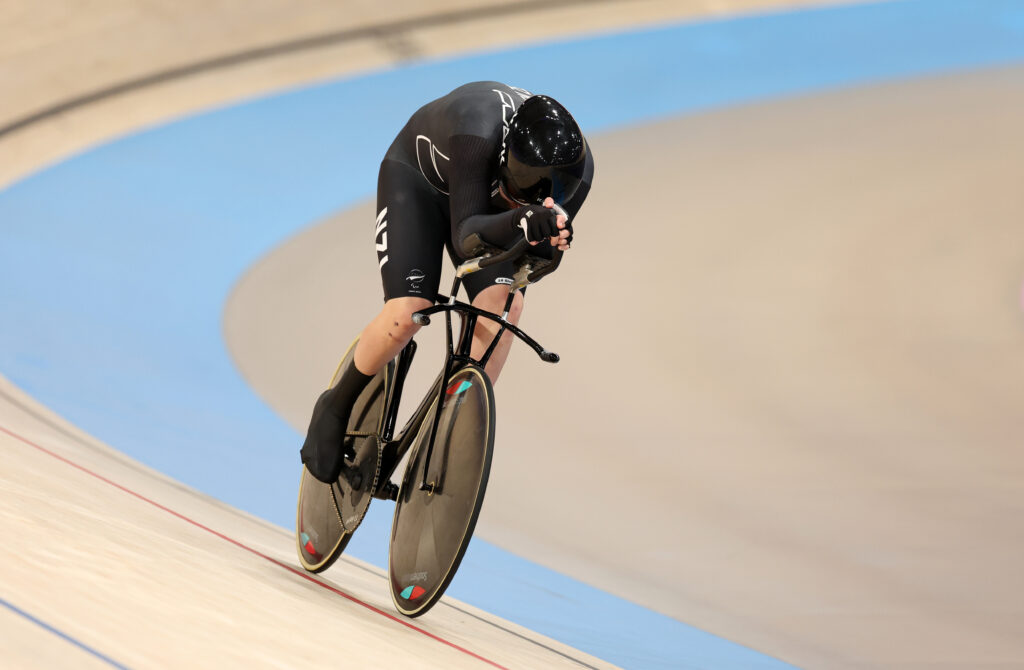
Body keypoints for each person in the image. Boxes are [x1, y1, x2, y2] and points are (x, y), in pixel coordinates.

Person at [300, 81, 595, 483]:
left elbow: (540, 263)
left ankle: (454, 426)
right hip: (420, 184)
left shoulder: (578, 173)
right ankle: (335, 406)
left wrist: (551, 243)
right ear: (506, 163)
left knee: (506, 305)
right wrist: (521, 219)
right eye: (517, 193)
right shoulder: (477, 126)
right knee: (409, 311)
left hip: (488, 209)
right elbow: (466, 235)